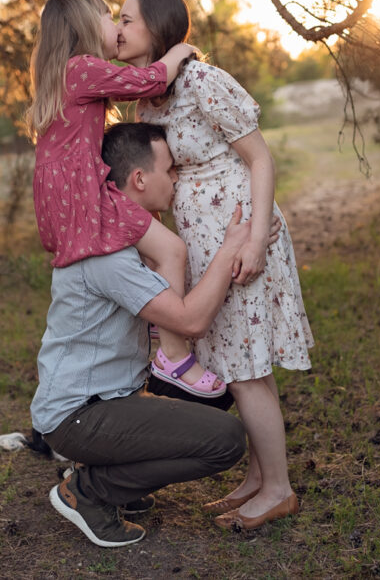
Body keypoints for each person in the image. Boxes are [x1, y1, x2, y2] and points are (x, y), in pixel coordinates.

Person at [116, 0, 315, 531]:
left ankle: (278, 489)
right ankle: (256, 478)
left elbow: (260, 158)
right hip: (203, 246)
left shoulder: (202, 80)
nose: (117, 28)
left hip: (239, 234)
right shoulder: (148, 100)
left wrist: (253, 240)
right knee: (239, 364)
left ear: (156, 29)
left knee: (247, 370)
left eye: (127, 19)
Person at [30, 135, 254, 547]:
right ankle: (90, 492)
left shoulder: (117, 239)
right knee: (225, 440)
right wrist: (230, 250)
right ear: (138, 179)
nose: (176, 179)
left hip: (103, 402)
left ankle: (116, 483)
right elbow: (190, 321)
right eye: (169, 169)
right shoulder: (108, 258)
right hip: (78, 416)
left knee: (191, 421)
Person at [27, 0, 224, 398]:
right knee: (172, 250)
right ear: (85, 25)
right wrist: (179, 53)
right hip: (86, 200)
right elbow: (148, 81)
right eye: (109, 18)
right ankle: (173, 355)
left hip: (72, 202)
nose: (116, 28)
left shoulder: (66, 74)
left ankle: (158, 309)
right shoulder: (81, 68)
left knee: (156, 245)